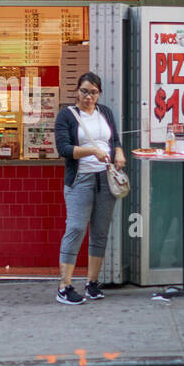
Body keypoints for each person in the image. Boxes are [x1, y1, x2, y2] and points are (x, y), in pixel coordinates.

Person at [53, 71, 126, 305]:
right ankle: (64, 286)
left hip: (105, 179)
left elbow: (114, 139)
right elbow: (64, 149)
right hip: (80, 180)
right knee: (75, 229)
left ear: (99, 93)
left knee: (100, 232)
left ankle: (92, 282)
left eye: (93, 92)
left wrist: (119, 151)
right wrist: (92, 151)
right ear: (77, 91)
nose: (88, 97)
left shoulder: (105, 112)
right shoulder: (66, 115)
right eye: (84, 91)